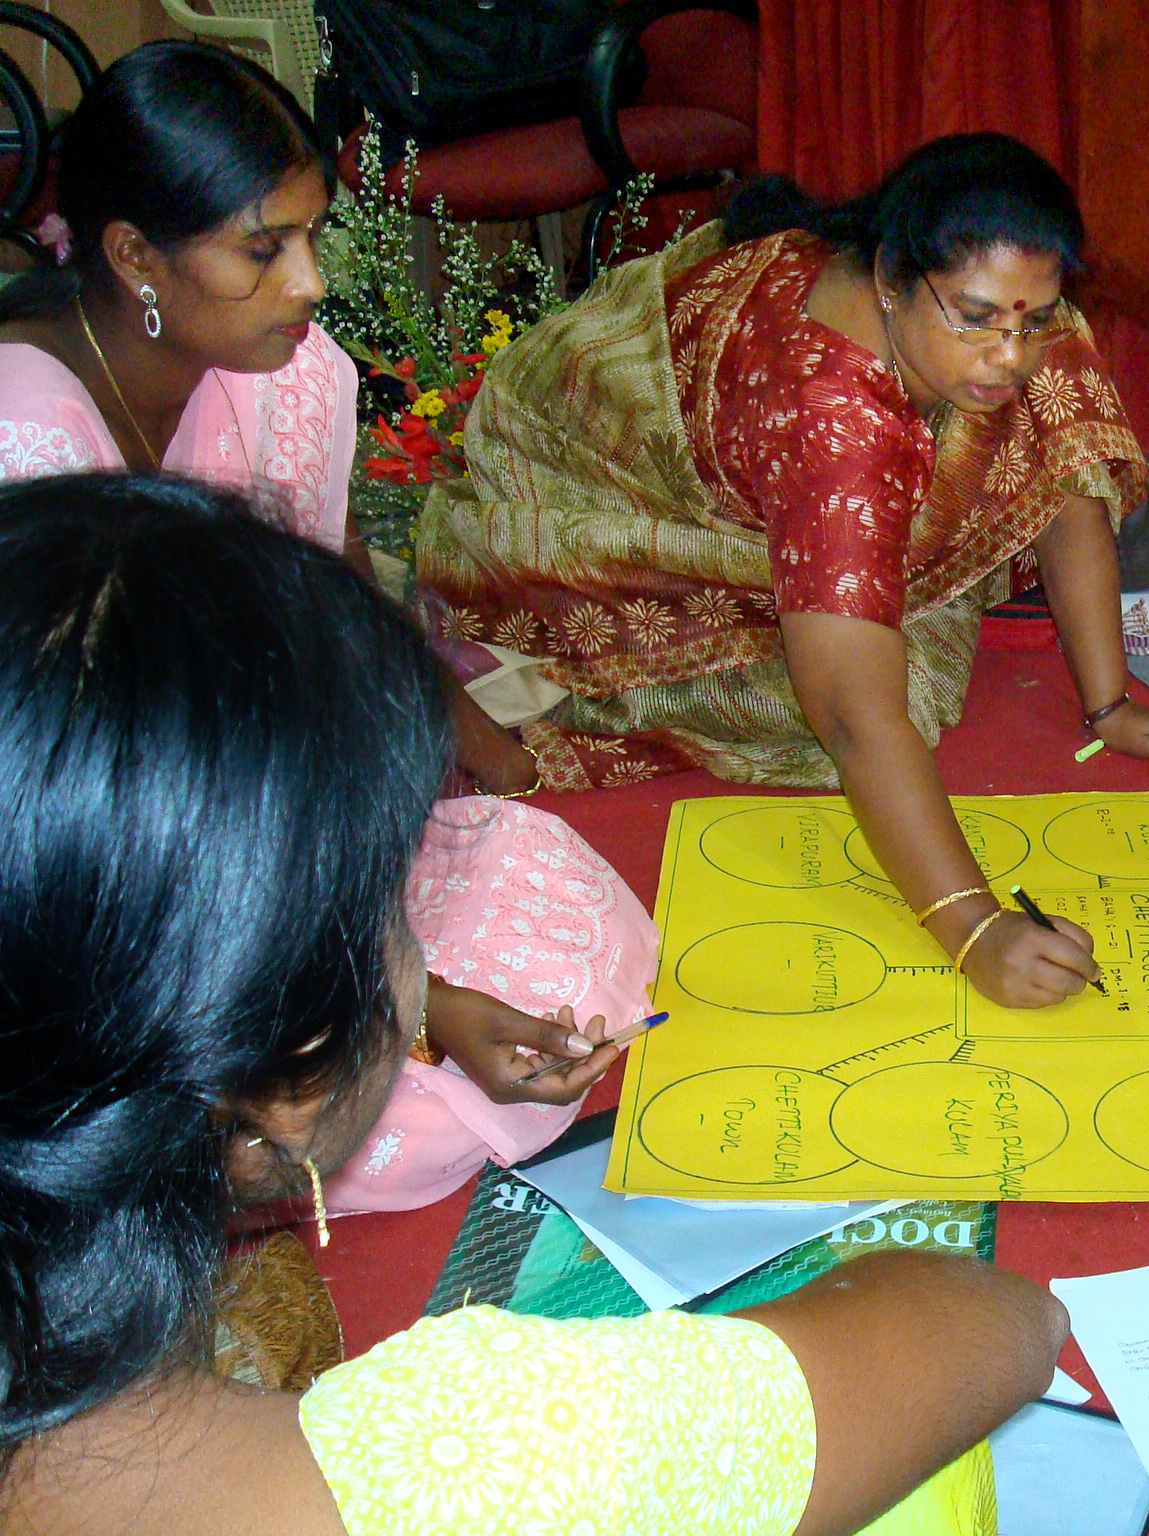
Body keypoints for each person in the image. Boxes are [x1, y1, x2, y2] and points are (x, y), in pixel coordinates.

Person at [0, 470, 1066, 1536]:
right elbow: (995, 1326)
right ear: (281, 1086)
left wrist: (432, 1010)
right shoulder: (473, 1468)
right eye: (393, 894)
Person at [0, 41, 659, 1213]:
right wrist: (391, 1006)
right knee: (334, 1126)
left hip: (261, 845)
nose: (308, 282)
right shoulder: (23, 445)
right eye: (264, 250)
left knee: (558, 918)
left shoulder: (284, 378)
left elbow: (333, 598)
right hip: (99, 911)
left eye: (313, 236)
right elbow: (114, 844)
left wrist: (446, 728)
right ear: (134, 257)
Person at [418, 133, 1149, 1008]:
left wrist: (1109, 706)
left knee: (1020, 424)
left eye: (1030, 320)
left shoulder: (1005, 308)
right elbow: (852, 719)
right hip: (601, 479)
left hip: (784, 434)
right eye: (978, 317)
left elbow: (1061, 461)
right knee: (899, 698)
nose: (1011, 353)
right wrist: (975, 928)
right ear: (891, 274)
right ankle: (467, 685)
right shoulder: (832, 420)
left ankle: (863, 576)